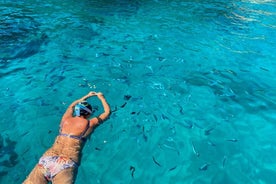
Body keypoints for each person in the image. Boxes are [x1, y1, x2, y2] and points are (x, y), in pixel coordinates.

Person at [23, 91, 110, 184]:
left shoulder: (65, 119)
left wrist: (86, 96)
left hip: (47, 158)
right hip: (67, 162)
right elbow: (107, 112)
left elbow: (71, 106)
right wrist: (101, 97)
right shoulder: (90, 123)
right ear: (88, 114)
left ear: (76, 111)